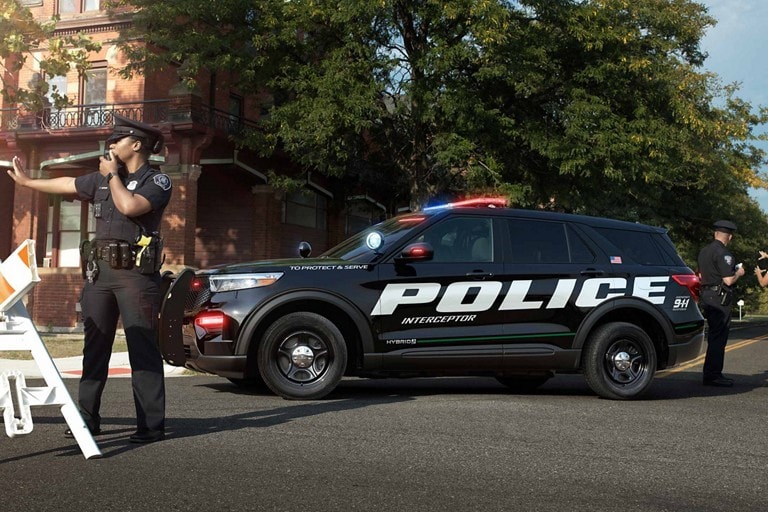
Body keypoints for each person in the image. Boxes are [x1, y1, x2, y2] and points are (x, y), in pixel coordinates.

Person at [6, 114, 172, 443]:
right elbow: (67, 183)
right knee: (94, 347)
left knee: (142, 349)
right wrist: (28, 183)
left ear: (136, 145)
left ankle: (150, 426)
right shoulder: (102, 179)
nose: (110, 145)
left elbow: (128, 206)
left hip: (136, 278)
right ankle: (86, 418)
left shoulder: (156, 181)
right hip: (101, 275)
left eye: (117, 140)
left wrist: (112, 176)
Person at [697, 220, 745, 387]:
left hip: (706, 294)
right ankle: (713, 375)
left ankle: (710, 373)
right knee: (719, 336)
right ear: (729, 237)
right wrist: (738, 272)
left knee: (713, 335)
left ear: (714, 234)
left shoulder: (704, 252)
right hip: (719, 297)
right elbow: (729, 280)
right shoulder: (724, 254)